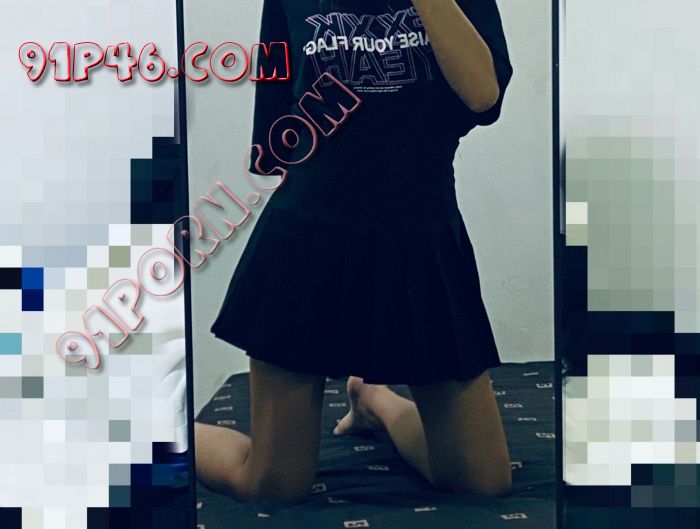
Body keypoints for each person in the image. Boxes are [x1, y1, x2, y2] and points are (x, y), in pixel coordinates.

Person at [196, 0, 515, 503]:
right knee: (273, 485)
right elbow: (279, 130)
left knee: (482, 480)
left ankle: (373, 401)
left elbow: (482, 95)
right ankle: (157, 428)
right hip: (307, 239)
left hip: (423, 243)